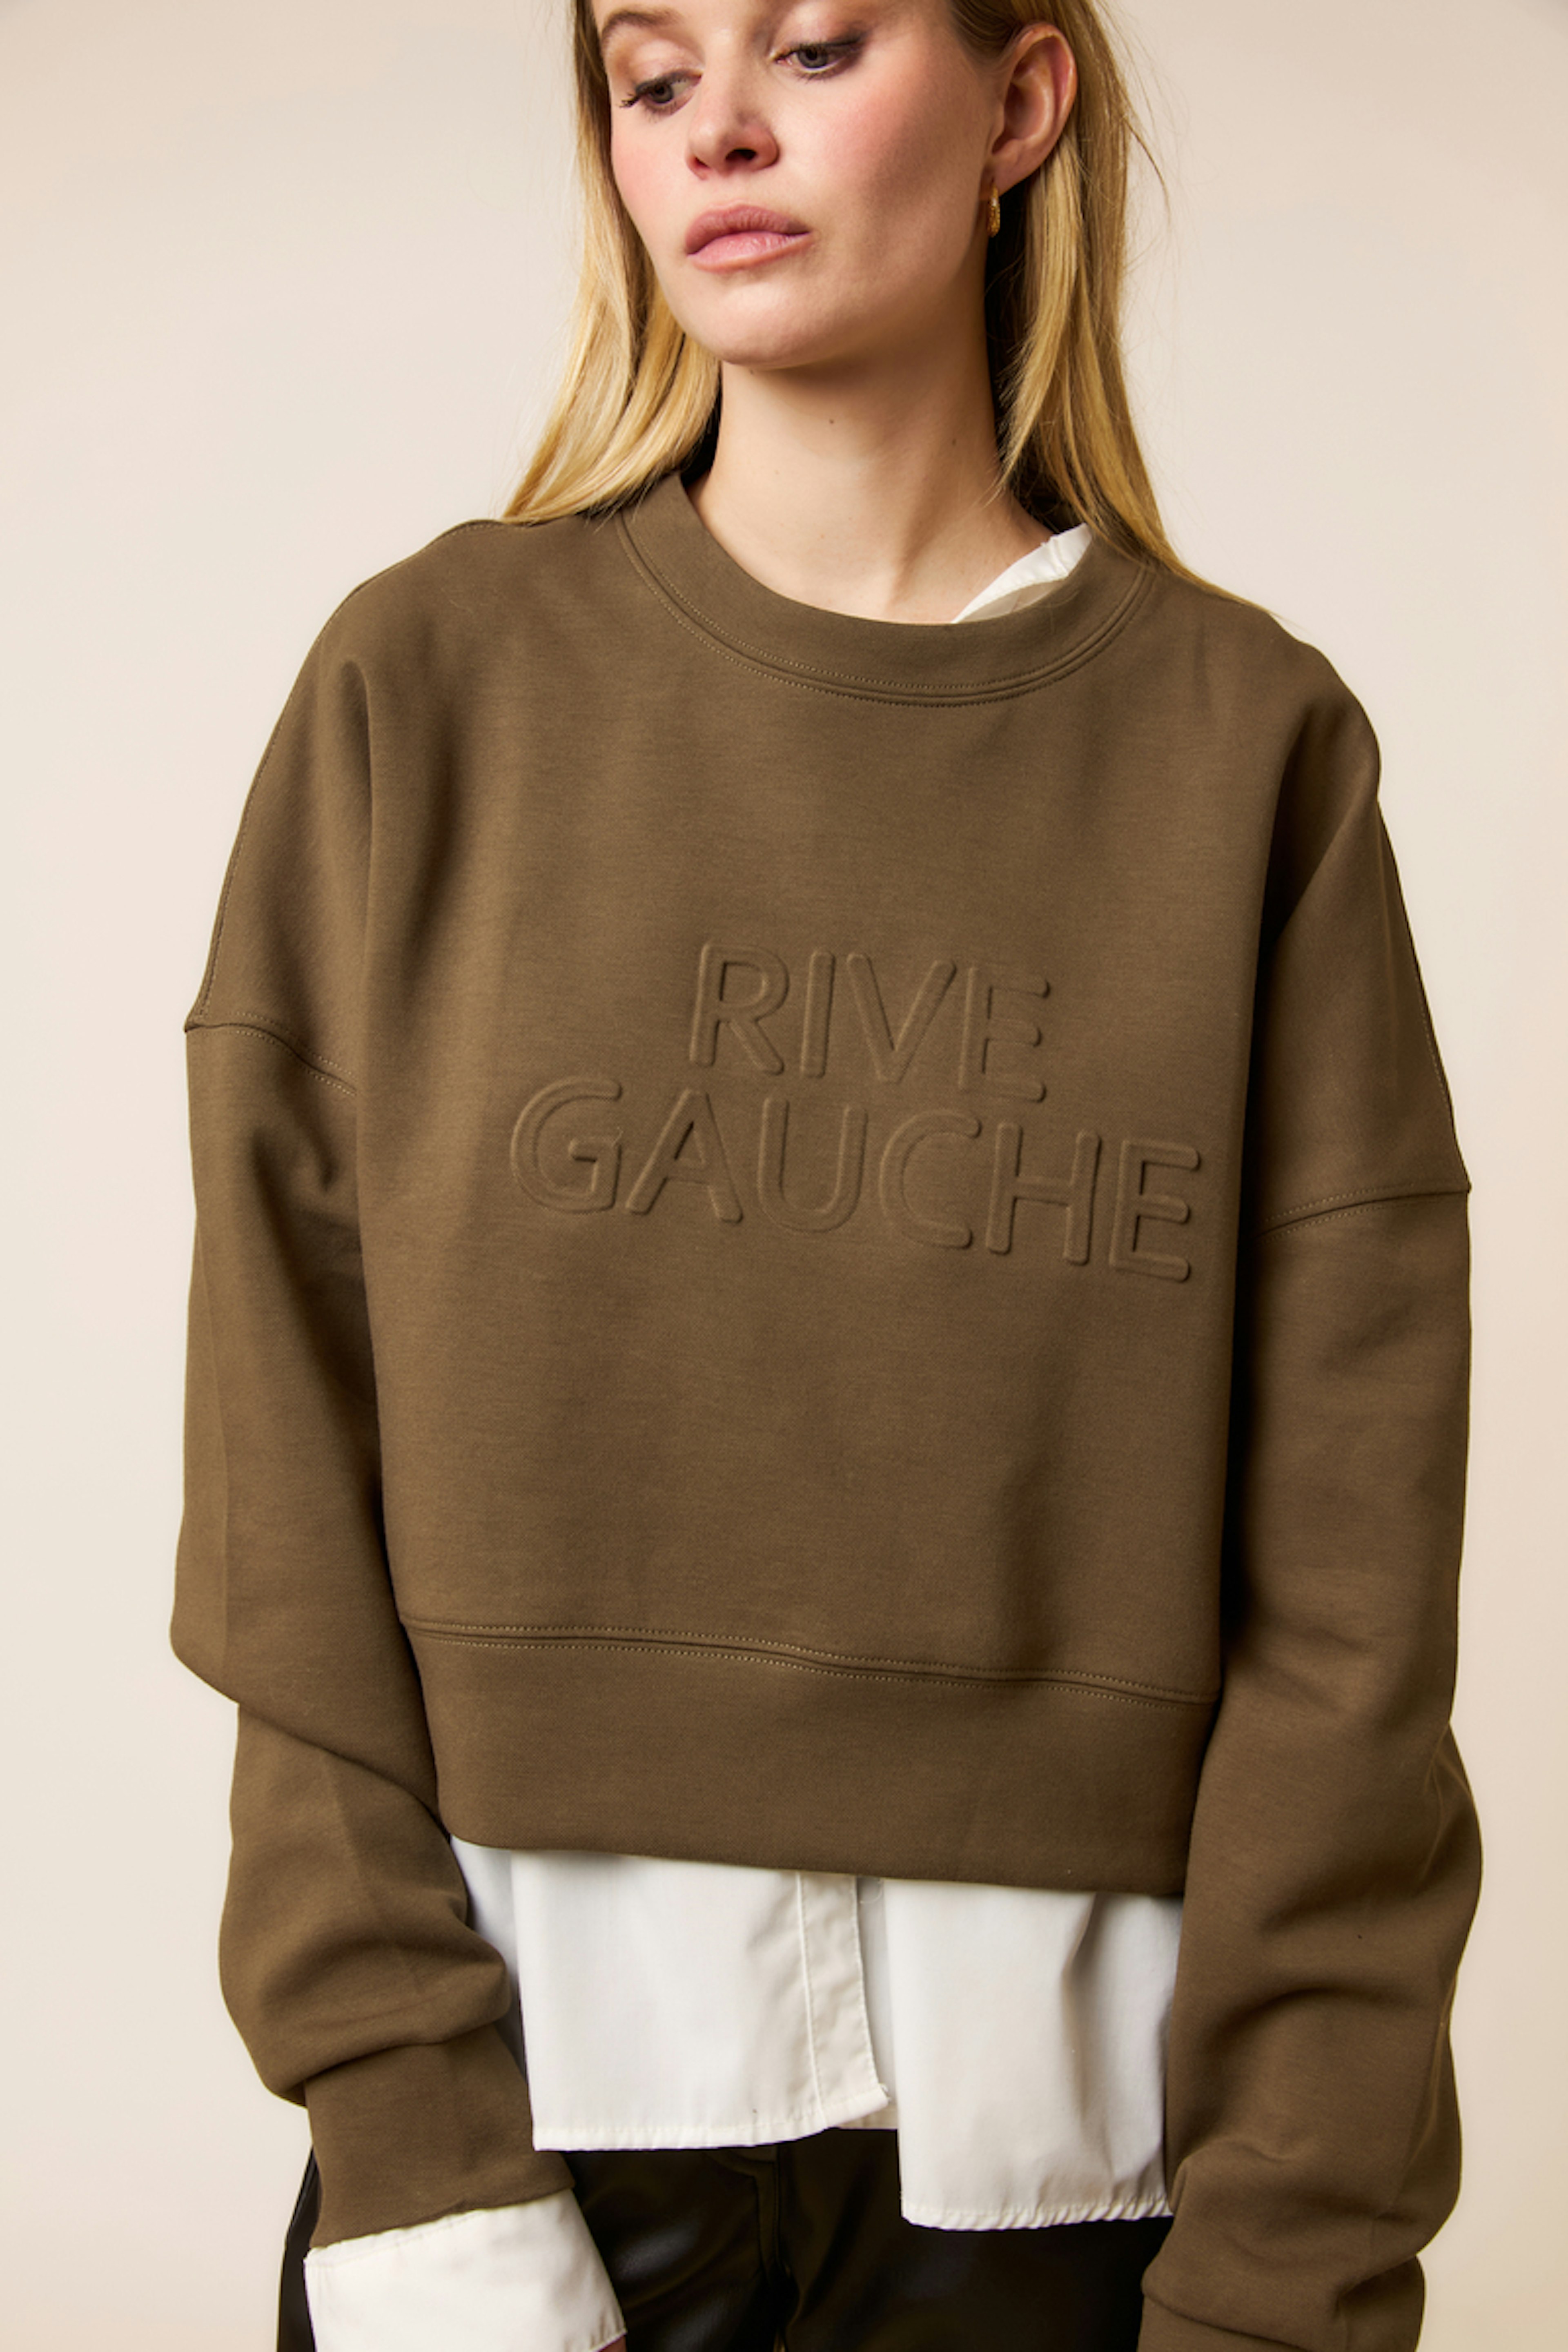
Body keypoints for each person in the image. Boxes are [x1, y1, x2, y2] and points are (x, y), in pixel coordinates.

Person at [171, 1, 1483, 2347]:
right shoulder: (422, 693)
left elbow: (1353, 1620)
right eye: (654, 75)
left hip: (1074, 2190)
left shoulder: (1251, 756)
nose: (721, 134)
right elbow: (284, 1503)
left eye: (815, 43)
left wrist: (1295, 2251)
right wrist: (412, 2155)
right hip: (520, 2156)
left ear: (1023, 103)